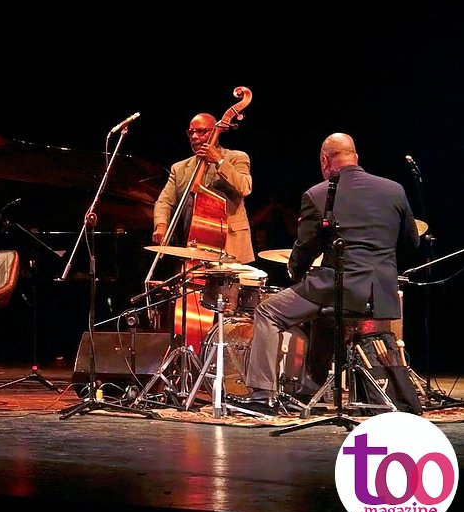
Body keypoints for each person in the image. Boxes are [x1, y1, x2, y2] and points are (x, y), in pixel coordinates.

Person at [236, 133, 420, 411]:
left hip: (339, 286)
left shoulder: (318, 194)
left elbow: (306, 247)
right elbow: (411, 243)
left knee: (268, 312)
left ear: (325, 160)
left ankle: (263, 394)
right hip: (381, 293)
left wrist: (296, 272)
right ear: (355, 156)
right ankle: (309, 391)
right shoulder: (394, 190)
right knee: (325, 319)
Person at [152, 112, 255, 264]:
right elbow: (164, 202)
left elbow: (244, 187)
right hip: (195, 244)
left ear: (216, 132)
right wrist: (161, 226)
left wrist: (219, 160)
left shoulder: (237, 157)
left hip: (231, 245)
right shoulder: (179, 168)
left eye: (201, 131)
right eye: (191, 132)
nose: (194, 137)